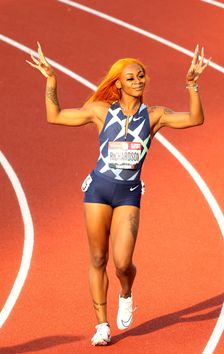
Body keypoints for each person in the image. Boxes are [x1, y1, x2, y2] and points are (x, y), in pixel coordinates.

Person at [26, 43, 209, 346]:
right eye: (131, 78)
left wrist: (192, 85)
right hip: (98, 190)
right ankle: (101, 324)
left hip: (128, 194)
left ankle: (126, 292)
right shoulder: (101, 111)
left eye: (141, 77)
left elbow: (194, 119)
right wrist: (51, 81)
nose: (138, 82)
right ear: (117, 83)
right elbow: (55, 116)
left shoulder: (154, 116)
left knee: (123, 262)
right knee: (98, 257)